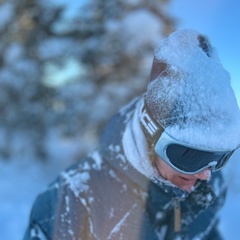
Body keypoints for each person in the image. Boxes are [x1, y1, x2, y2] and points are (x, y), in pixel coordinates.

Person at [23, 29, 240, 240]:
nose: (206, 174)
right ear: (151, 135)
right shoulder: (71, 203)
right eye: (191, 156)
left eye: (220, 156)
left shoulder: (210, 185)